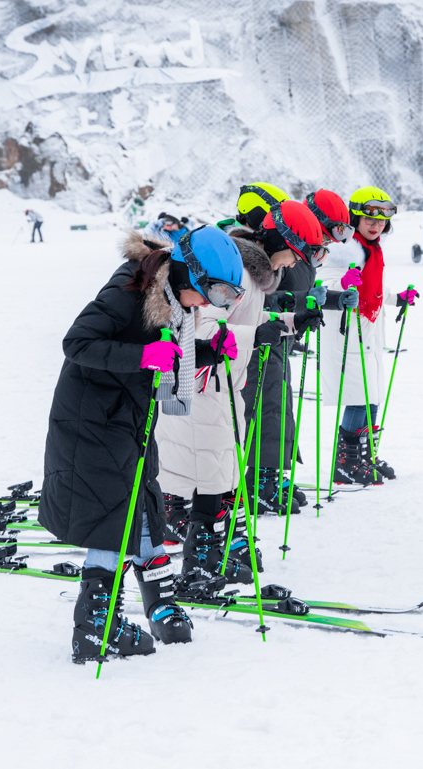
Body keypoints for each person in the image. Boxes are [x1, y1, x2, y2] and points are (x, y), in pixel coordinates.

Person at [39, 224, 246, 661]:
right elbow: (76, 343)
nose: (212, 304)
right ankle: (95, 625)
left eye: (226, 297)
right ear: (188, 274)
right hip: (92, 420)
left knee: (144, 504)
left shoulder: (172, 297)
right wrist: (141, 358)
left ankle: (159, 602)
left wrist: (209, 351)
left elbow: (170, 351)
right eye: (213, 292)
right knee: (113, 515)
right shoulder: (129, 290)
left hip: (129, 417)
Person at [155, 223, 289, 584]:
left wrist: (287, 322)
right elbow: (204, 328)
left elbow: (245, 321)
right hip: (206, 383)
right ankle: (199, 558)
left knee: (222, 473)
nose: (294, 264)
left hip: (225, 382)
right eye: (300, 251)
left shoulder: (253, 277)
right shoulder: (236, 275)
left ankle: (210, 550)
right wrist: (255, 335)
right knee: (211, 474)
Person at [318, 186, 416, 485]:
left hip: (369, 329)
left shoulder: (373, 250)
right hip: (347, 330)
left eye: (381, 221)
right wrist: (343, 282)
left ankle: (364, 455)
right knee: (357, 397)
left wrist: (397, 298)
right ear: (356, 219)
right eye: (369, 219)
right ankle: (345, 462)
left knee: (371, 396)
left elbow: (372, 289)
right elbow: (323, 282)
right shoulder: (341, 248)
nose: (376, 225)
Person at [237, 199, 327, 513]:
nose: (292, 265)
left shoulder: (263, 273)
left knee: (271, 409)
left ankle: (257, 483)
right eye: (295, 256)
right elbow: (223, 321)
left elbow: (259, 314)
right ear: (281, 240)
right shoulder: (240, 270)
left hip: (244, 358)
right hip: (214, 372)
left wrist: (294, 319)